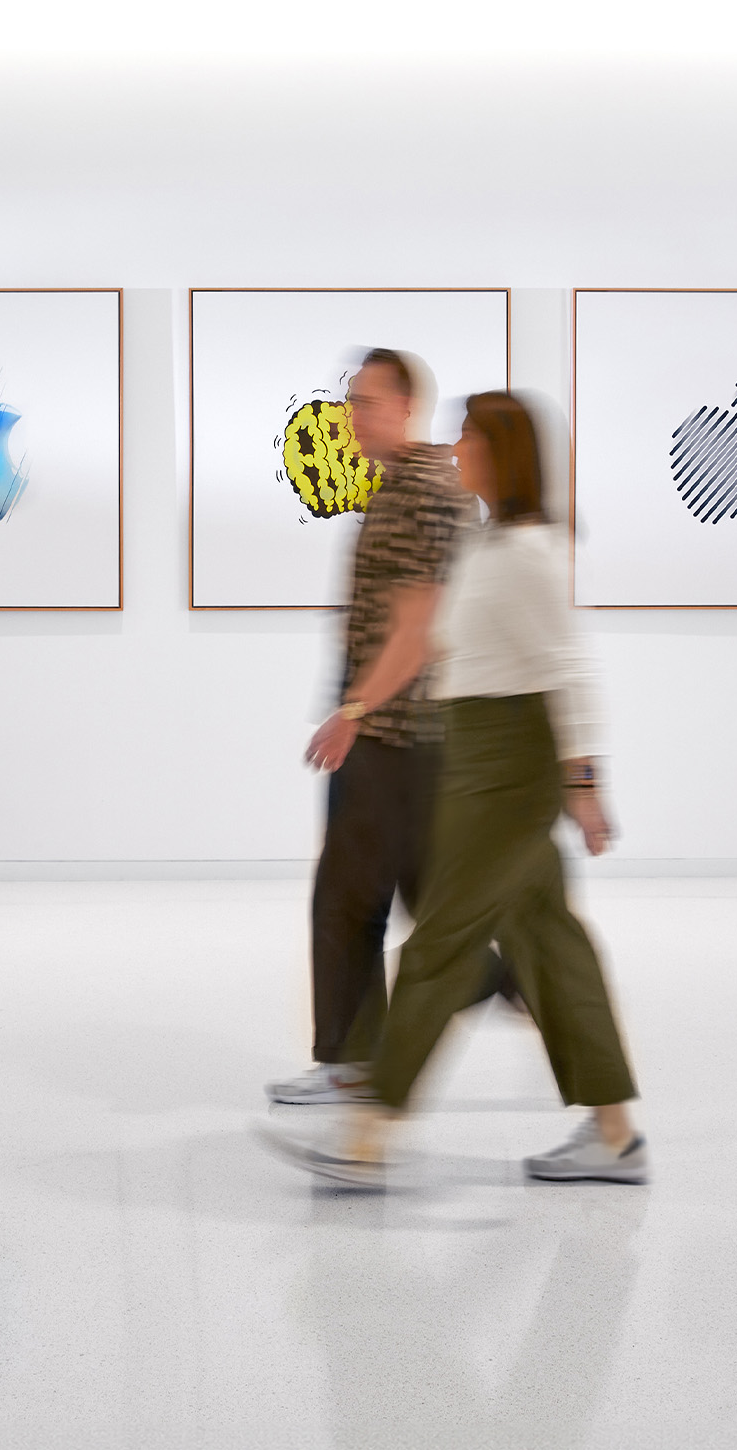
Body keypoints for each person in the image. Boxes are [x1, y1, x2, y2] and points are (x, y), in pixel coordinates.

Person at [266, 391, 645, 1188]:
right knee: (551, 944)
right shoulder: (487, 544)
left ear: (502, 452)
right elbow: (436, 637)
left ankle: (370, 1137)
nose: (455, 443)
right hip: (477, 754)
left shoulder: (529, 553)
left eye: (468, 434)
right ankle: (613, 1133)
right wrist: (361, 704)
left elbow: (568, 669)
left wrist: (581, 782)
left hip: (510, 767)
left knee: (439, 945)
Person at [267, 349, 473, 1106]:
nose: (353, 416)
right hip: (396, 732)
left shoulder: (423, 490)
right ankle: (513, 979)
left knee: (352, 902)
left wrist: (354, 712)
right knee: (387, 902)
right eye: (350, 401)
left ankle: (356, 1061)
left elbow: (417, 626)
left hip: (397, 736)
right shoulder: (395, 487)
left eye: (369, 402)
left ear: (409, 407)